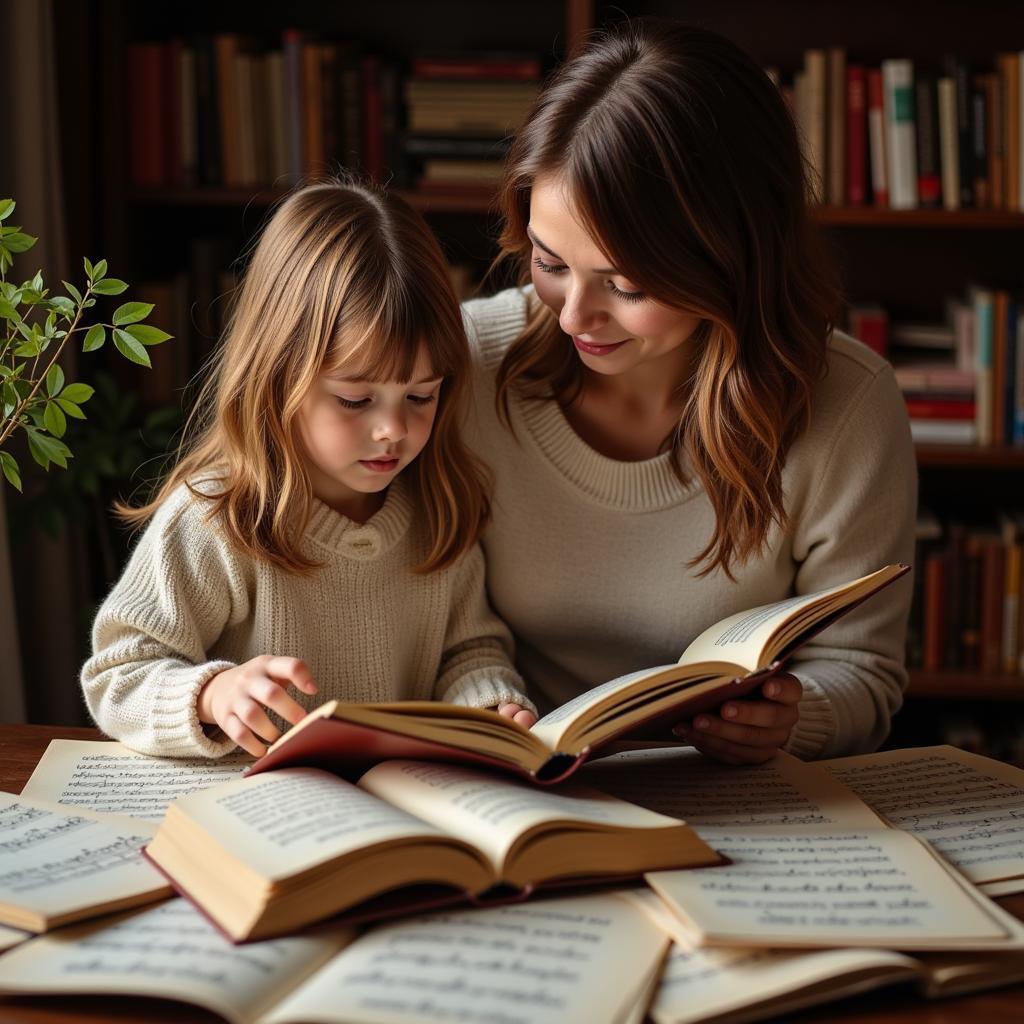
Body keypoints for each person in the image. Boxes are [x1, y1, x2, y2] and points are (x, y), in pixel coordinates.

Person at [461, 21, 916, 763]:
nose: (574, 314)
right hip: (507, 789)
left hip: (736, 804)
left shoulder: (846, 406)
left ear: (733, 262)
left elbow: (863, 673)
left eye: (627, 285)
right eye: (548, 262)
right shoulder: (460, 366)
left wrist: (789, 718)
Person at [82, 178, 536, 759]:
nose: (392, 430)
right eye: (354, 400)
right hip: (261, 820)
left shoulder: (436, 508)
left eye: (420, 397)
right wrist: (212, 694)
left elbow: (467, 651)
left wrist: (489, 703)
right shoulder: (219, 518)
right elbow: (117, 676)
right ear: (278, 378)